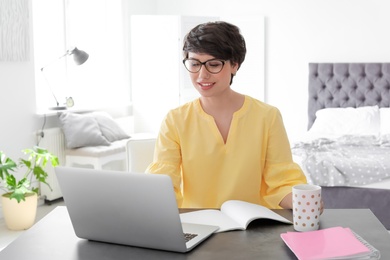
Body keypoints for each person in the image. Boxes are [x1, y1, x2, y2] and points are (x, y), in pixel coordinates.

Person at [146, 21, 307, 209]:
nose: (202, 75)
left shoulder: (267, 117)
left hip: (254, 227)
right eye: (194, 64)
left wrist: (304, 202)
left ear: (234, 65)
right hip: (199, 226)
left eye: (213, 65)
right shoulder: (175, 120)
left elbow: (283, 181)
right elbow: (164, 183)